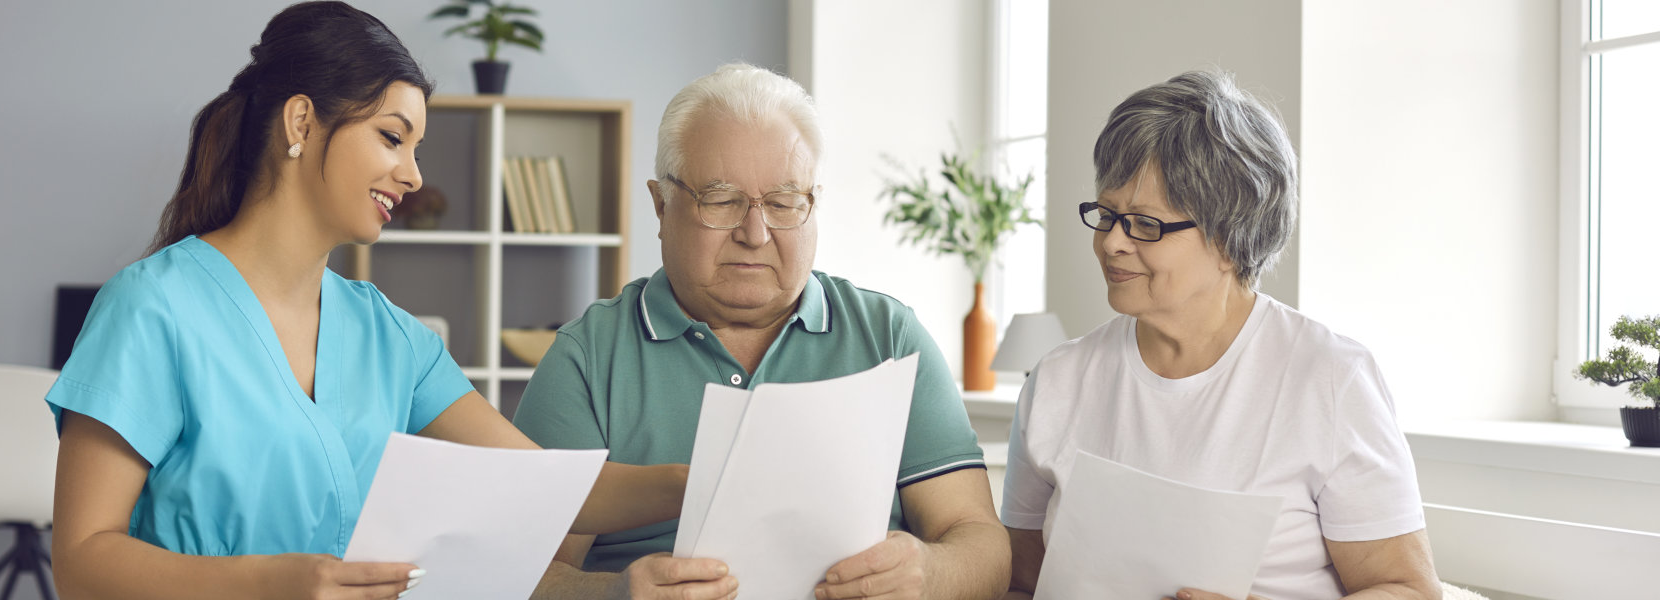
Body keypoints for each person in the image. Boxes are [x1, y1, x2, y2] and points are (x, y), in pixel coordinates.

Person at [46, 4, 686, 599]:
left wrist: (693, 483)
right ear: (301, 122)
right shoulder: (152, 307)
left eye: (416, 149)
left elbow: (549, 489)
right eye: (391, 137)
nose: (413, 175)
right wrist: (273, 584)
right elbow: (81, 560)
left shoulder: (390, 335)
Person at [514, 63, 1012, 600]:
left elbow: (980, 543)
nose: (755, 234)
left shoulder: (890, 337)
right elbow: (518, 572)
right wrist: (613, 593)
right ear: (661, 206)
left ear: (813, 205)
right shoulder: (587, 359)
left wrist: (930, 574)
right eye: (722, 201)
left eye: (783, 203)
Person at [1001, 71, 1441, 600]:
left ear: (1231, 240)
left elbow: (1405, 589)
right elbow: (1021, 581)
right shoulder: (1056, 379)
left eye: (1145, 223)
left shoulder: (1329, 378)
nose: (1111, 242)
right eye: (1107, 214)